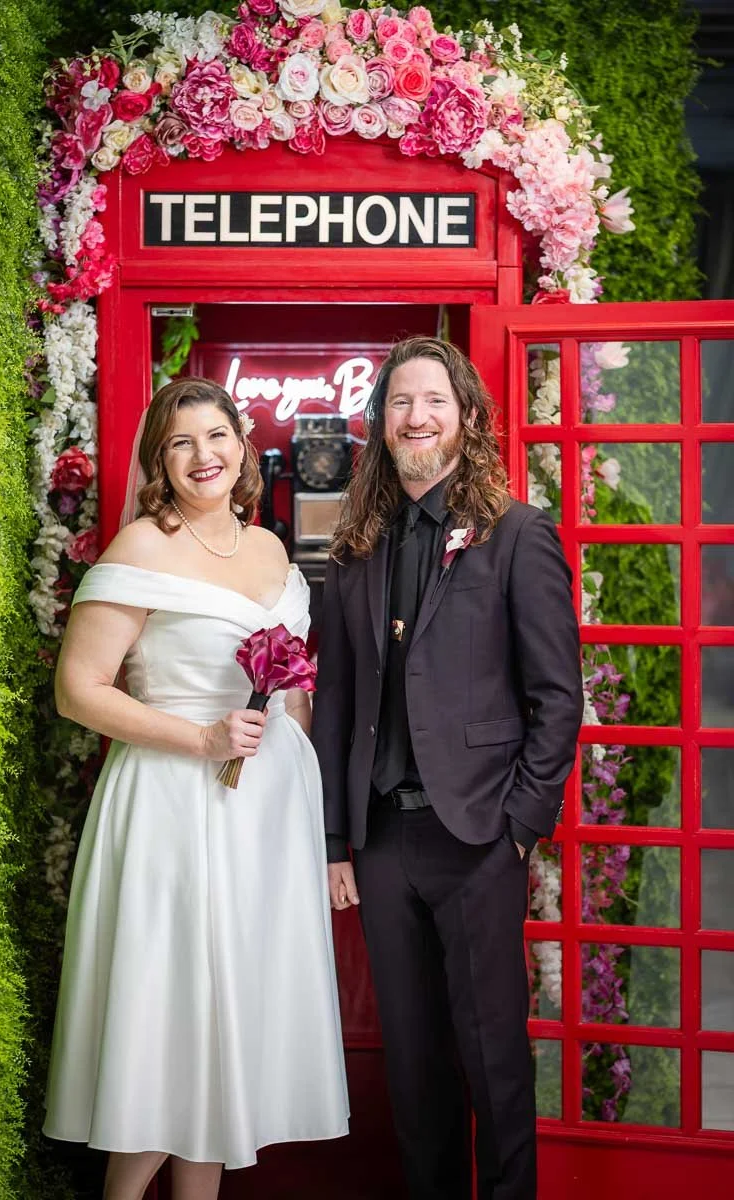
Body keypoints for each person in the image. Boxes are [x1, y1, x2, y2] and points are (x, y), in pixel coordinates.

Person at [44, 378, 348, 1200]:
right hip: (174, 807)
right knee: (170, 1037)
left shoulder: (270, 549)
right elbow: (80, 690)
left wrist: (309, 808)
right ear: (160, 460)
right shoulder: (141, 547)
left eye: (216, 436)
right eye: (181, 443)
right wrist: (203, 738)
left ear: (243, 446)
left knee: (221, 1051)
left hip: (262, 818)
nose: (203, 456)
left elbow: (294, 693)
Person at [311, 337, 583, 1200]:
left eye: (433, 400)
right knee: (415, 1069)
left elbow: (557, 697)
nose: (416, 416)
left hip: (477, 840)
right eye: (399, 403)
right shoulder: (357, 548)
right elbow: (340, 703)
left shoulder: (516, 534)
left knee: (494, 1059)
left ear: (467, 416)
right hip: (385, 841)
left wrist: (519, 829)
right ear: (381, 423)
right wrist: (336, 840)